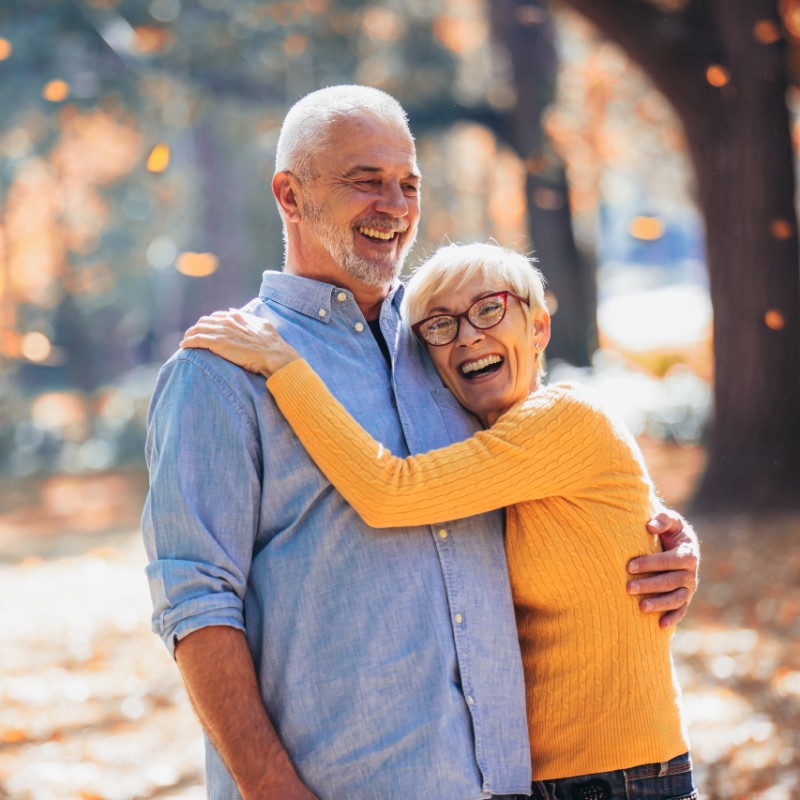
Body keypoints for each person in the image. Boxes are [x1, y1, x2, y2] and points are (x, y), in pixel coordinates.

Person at [144, 85, 699, 800]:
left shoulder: (453, 343)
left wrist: (659, 548)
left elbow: (552, 483)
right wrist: (271, 789)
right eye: (365, 181)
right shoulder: (219, 371)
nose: (396, 206)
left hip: (513, 783)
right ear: (290, 194)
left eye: (408, 184)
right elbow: (196, 604)